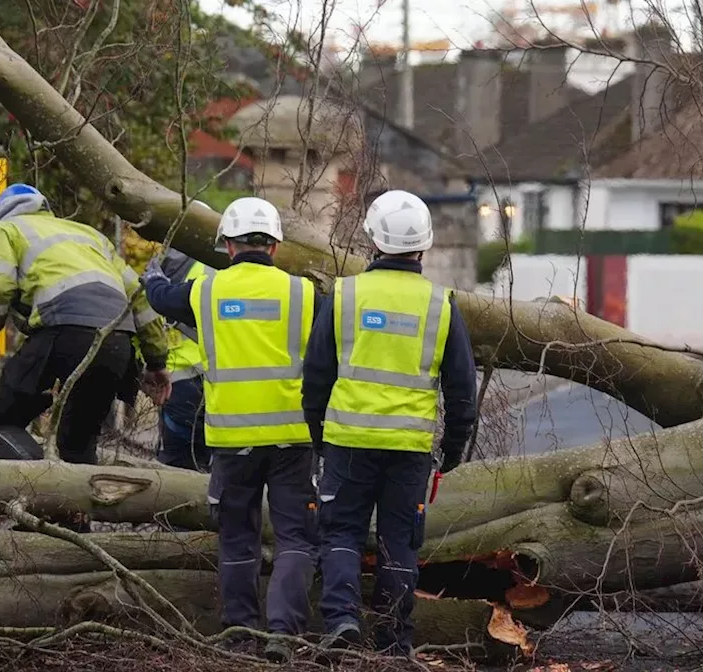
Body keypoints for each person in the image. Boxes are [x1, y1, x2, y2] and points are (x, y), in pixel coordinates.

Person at [141, 196, 320, 663]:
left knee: (238, 536)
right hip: (292, 439)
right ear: (276, 247)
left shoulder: (206, 291)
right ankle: (285, 633)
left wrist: (152, 272)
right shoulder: (304, 293)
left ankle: (241, 631)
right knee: (295, 536)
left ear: (227, 246)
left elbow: (160, 297)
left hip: (232, 440)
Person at [303, 189, 477, 657]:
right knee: (398, 541)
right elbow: (462, 390)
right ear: (425, 246)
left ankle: (341, 621)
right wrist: (453, 450)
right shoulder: (440, 305)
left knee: (340, 533)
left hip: (347, 442)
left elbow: (316, 374)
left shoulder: (345, 294)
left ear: (372, 242)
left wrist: (319, 436)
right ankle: (393, 641)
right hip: (409, 449)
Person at [0, 183, 171, 465]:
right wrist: (157, 363)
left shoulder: (4, 230)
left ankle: (37, 487)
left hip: (63, 331)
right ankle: (73, 506)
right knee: (77, 448)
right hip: (116, 342)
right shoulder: (88, 235)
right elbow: (138, 297)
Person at [155, 246, 215, 471]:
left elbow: (148, 324)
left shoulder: (160, 269)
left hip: (177, 380)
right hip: (221, 377)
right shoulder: (220, 266)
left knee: (178, 464)